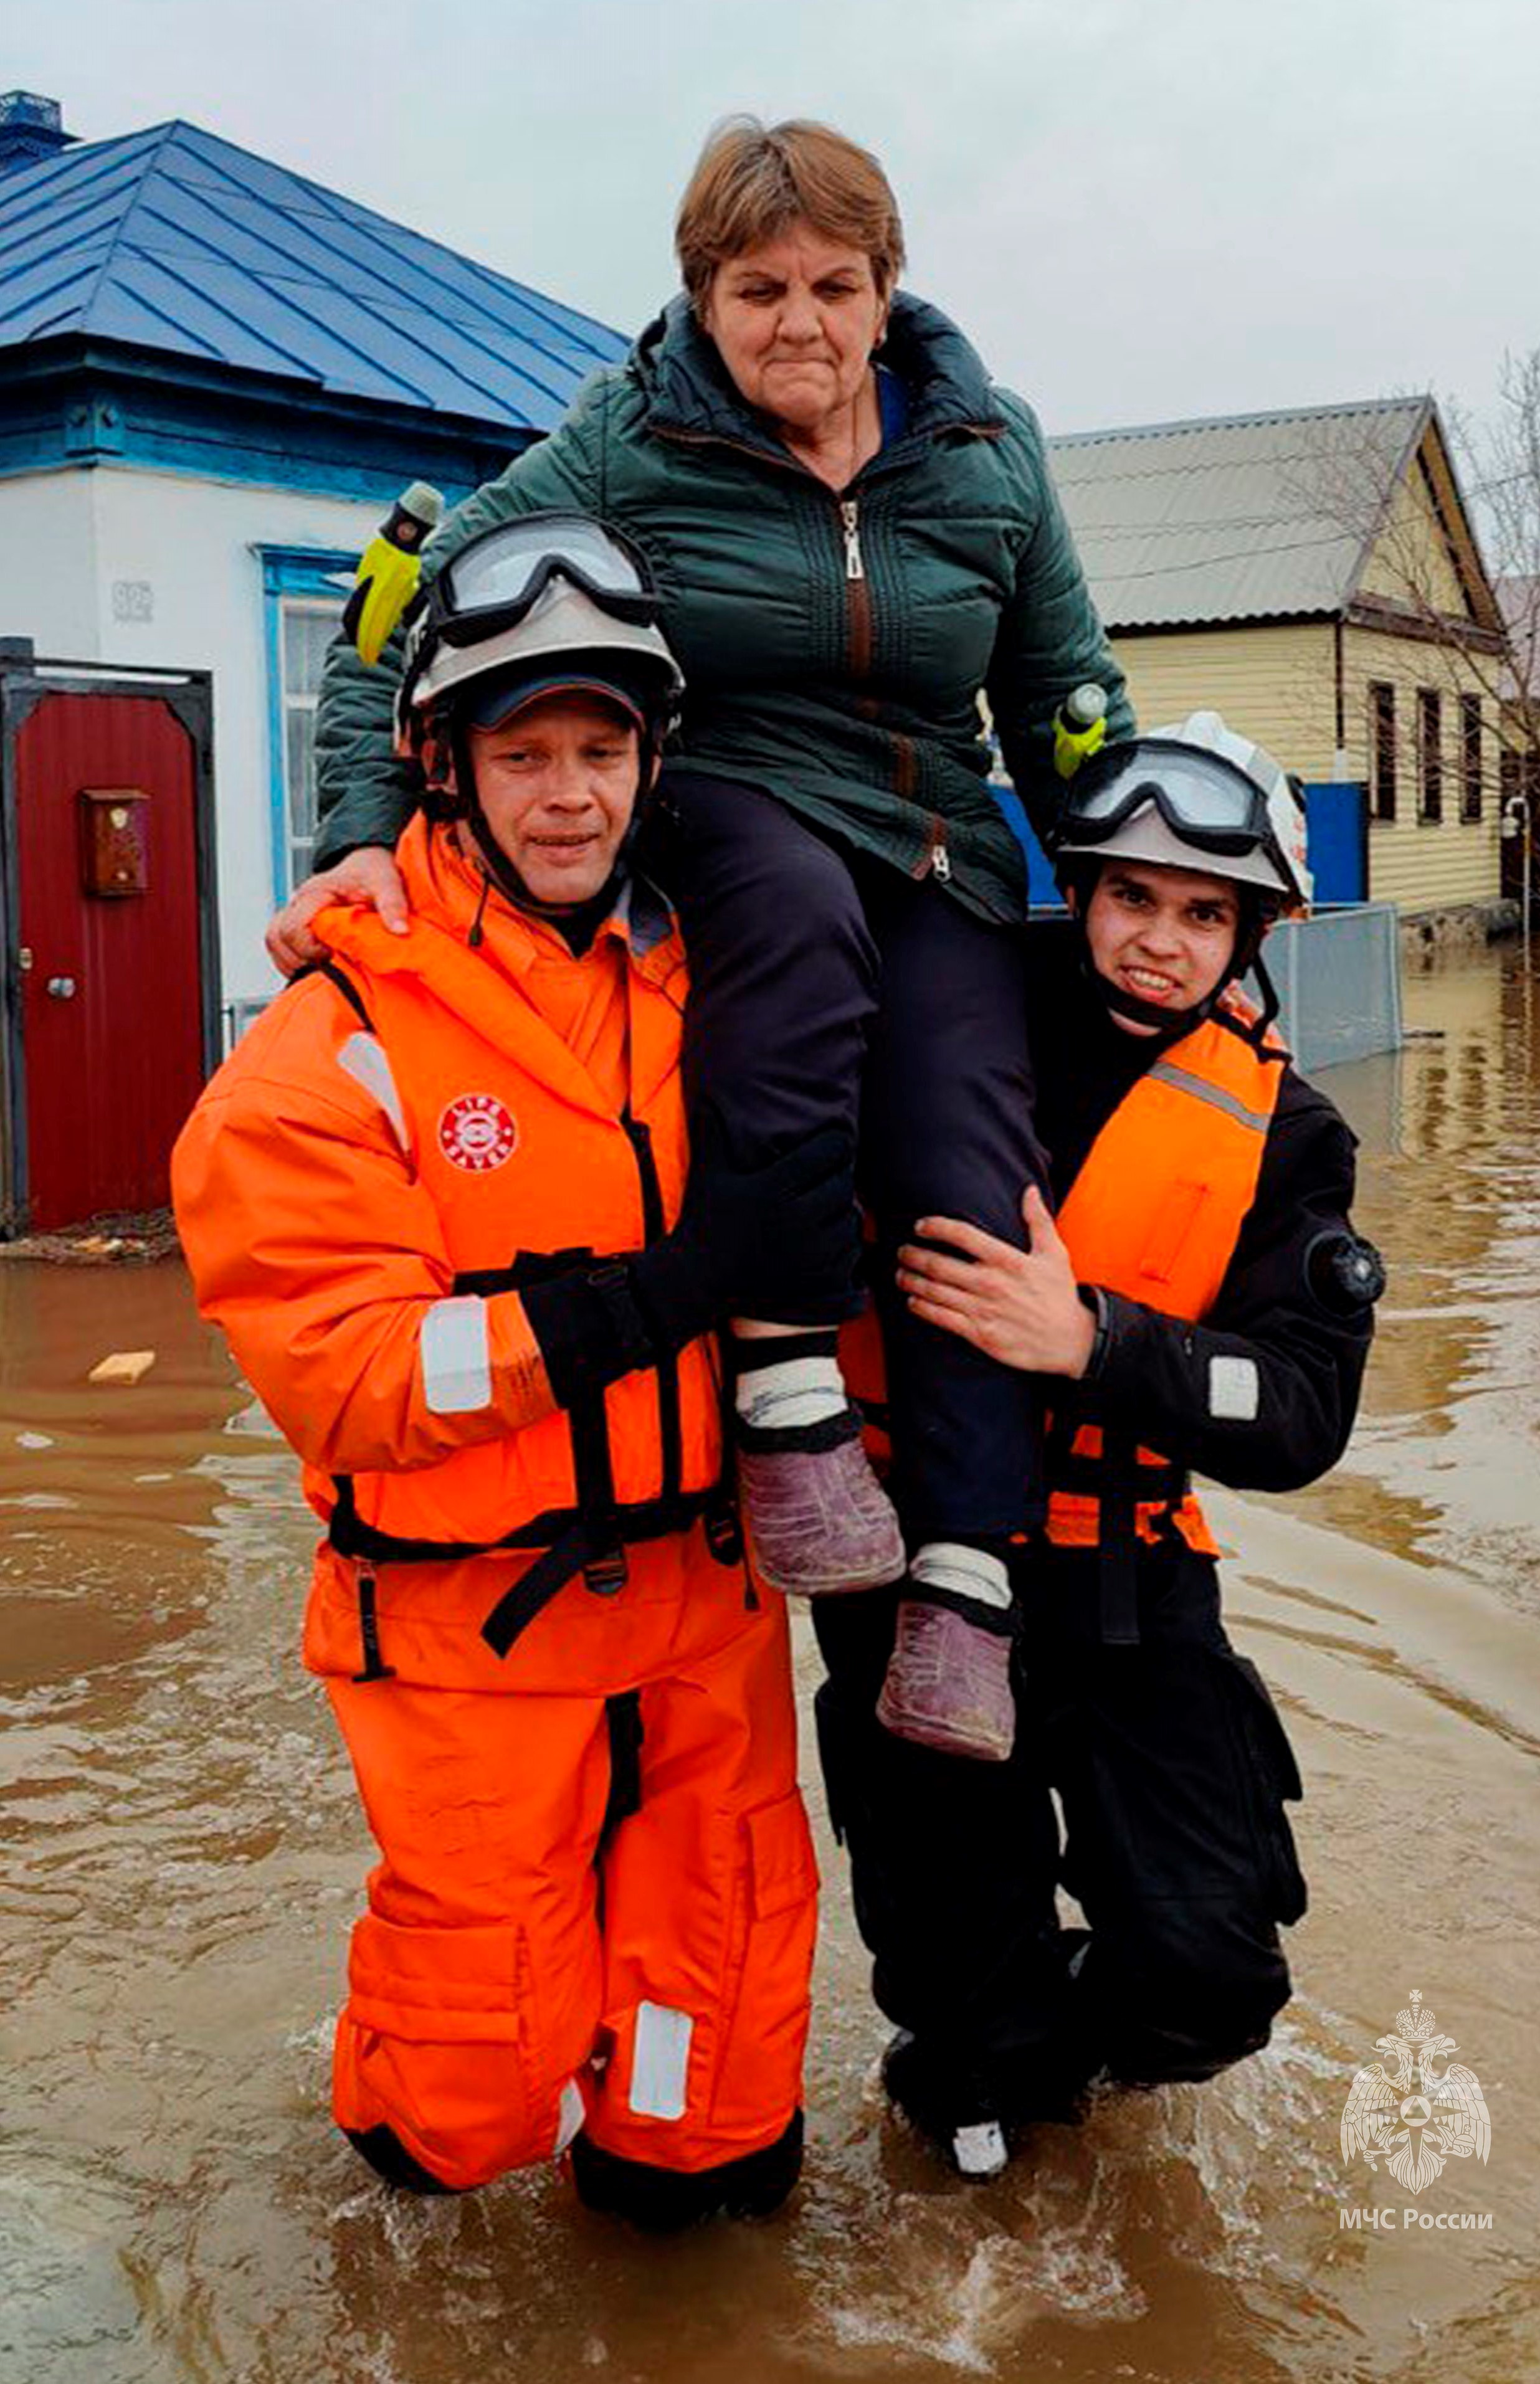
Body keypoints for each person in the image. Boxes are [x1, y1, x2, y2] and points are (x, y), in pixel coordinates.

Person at [267, 115, 1134, 1764]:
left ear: (888, 293)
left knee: (968, 1142)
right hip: (730, 802)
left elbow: (1062, 690)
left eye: (830, 285)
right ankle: (791, 1390)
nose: (796, 324)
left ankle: (962, 1572)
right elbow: (414, 618)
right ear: (701, 299)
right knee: (798, 943)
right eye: (756, 290)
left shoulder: (990, 450)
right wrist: (358, 835)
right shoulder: (627, 433)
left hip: (935, 831)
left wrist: (1121, 866)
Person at [172, 521, 853, 2227]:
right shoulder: (333, 1041)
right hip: (479, 1640)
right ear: (444, 769)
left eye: (603, 748)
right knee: (460, 2118)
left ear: (651, 761)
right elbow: (347, 1377)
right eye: (524, 751)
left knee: (712, 2117)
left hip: (704, 1631)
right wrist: (662, 1291)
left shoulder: (717, 983)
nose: (570, 795)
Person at [811, 714, 1384, 2178]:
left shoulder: (1289, 1132)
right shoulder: (947, 1034)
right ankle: (980, 2090)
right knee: (972, 2052)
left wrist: (1095, 1342)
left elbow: (1303, 1410)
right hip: (920, 1576)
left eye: (1204, 914)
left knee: (1211, 1987)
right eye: (1130, 896)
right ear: (1078, 888)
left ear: (1252, 931)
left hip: (1130, 1587)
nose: (1158, 943)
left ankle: (1055, 2061)